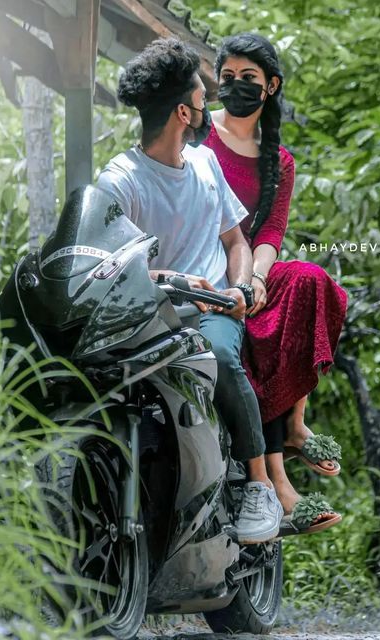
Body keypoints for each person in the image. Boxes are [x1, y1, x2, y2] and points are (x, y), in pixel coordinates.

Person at [97, 37, 284, 544]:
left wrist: (240, 284)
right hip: (149, 314)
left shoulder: (205, 165)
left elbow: (236, 239)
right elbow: (108, 264)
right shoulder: (120, 181)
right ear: (184, 111)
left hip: (211, 313)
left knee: (220, 355)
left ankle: (259, 485)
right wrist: (167, 280)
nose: (211, 102)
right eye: (204, 94)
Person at [203, 32, 347, 535]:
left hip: (252, 272)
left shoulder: (278, 160)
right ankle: (279, 481)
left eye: (249, 79)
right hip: (202, 272)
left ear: (271, 87)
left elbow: (270, 232)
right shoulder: (199, 137)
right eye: (228, 78)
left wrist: (259, 279)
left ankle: (294, 425)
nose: (236, 87)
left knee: (309, 281)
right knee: (248, 338)